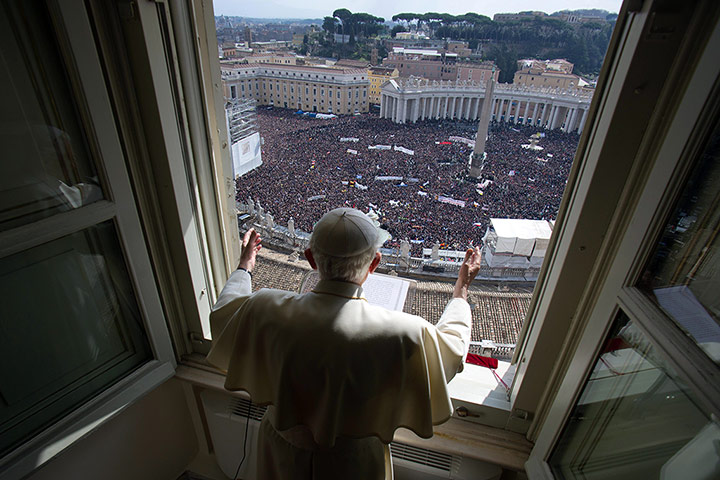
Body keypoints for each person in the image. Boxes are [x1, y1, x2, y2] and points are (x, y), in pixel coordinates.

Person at [207, 208, 482, 479]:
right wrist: (461, 291)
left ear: (311, 259)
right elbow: (453, 351)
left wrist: (245, 267)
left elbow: (224, 316)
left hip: (281, 452)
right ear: (374, 263)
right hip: (355, 464)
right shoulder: (406, 333)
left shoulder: (263, 307)